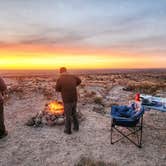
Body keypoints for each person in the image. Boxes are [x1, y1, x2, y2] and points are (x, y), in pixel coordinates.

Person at [56, 67, 81, 134]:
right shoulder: (73, 76)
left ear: (60, 72)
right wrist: (74, 85)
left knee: (68, 116)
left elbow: (57, 89)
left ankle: (68, 131)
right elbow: (79, 81)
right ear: (66, 71)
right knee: (74, 113)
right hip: (74, 99)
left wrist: (62, 90)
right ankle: (76, 128)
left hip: (67, 100)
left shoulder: (60, 79)